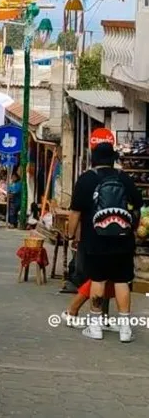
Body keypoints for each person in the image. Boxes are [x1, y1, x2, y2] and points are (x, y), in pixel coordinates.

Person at [68, 141, 142, 343]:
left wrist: (70, 236)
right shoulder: (124, 178)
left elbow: (75, 212)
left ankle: (95, 326)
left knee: (98, 281)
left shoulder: (86, 179)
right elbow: (138, 207)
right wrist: (131, 230)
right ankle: (125, 330)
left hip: (95, 240)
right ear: (113, 159)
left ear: (93, 159)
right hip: (122, 240)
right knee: (122, 281)